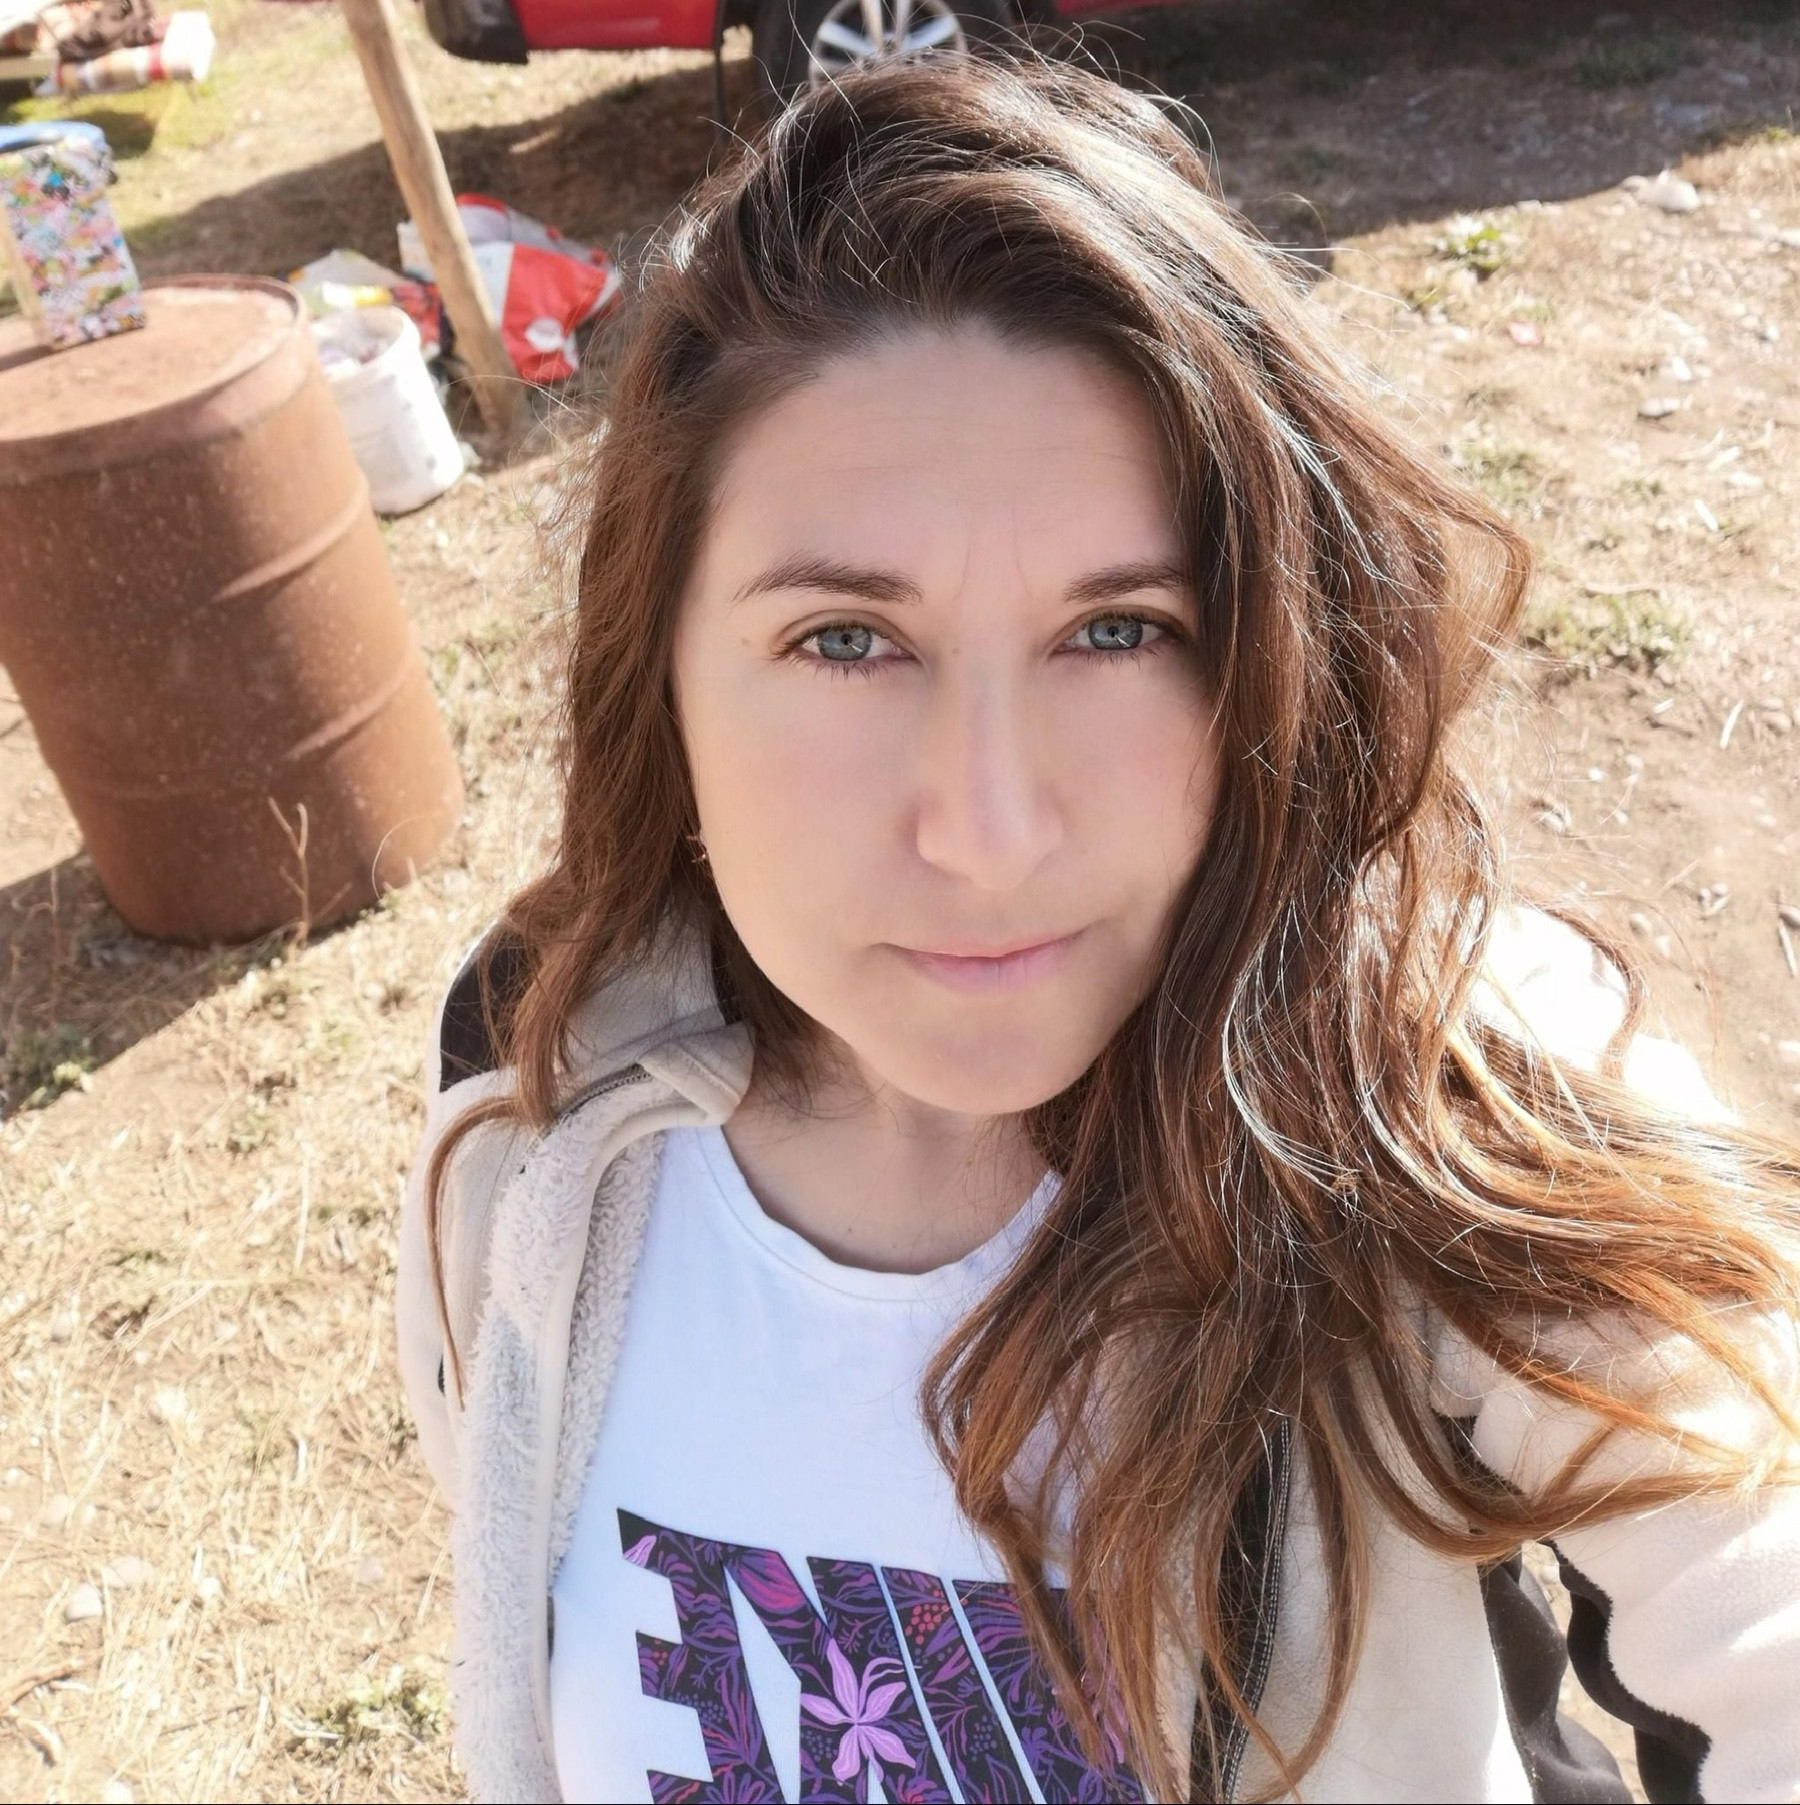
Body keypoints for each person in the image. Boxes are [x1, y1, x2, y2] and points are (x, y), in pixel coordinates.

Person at [396, 56, 1800, 1805]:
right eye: (847, 640)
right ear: (658, 679)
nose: (991, 832)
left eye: (1119, 629)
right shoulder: (539, 1099)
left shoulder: (1430, 1092)